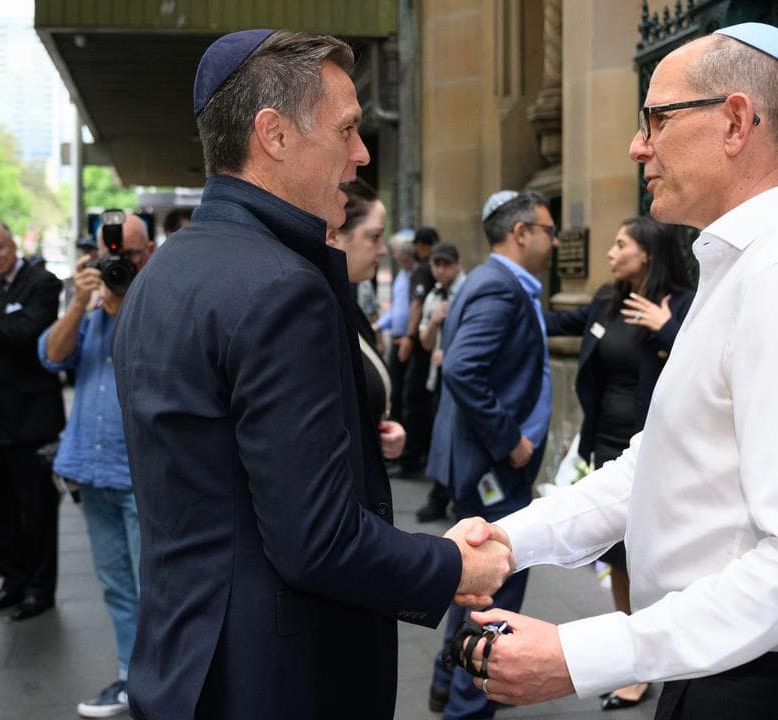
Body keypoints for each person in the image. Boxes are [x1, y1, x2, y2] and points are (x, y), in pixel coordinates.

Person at [458, 23, 778, 719]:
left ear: (735, 122)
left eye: (656, 119)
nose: (638, 145)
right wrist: (514, 538)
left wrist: (584, 656)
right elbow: (664, 460)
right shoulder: (748, 260)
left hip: (776, 686)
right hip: (728, 665)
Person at [110, 29, 510, 720]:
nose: (360, 155)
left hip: (182, 662)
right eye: (348, 129)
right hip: (274, 677)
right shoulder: (280, 287)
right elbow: (316, 541)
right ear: (274, 134)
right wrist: (452, 569)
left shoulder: (166, 269)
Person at [544, 214, 694, 711]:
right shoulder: (606, 301)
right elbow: (552, 322)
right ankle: (635, 660)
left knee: (657, 554)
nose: (610, 253)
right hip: (605, 446)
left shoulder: (683, 304)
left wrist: (665, 328)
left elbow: (706, 367)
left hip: (660, 449)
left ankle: (667, 653)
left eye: (620, 244)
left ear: (647, 254)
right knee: (619, 559)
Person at [425, 189, 557, 719]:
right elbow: (461, 369)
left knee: (477, 585)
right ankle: (465, 707)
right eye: (548, 230)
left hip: (491, 467)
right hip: (496, 469)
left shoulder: (496, 283)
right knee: (495, 592)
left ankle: (444, 681)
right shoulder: (500, 288)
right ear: (521, 232)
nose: (554, 240)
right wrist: (511, 439)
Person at [38, 213, 151, 718]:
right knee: (116, 585)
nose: (118, 262)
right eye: (112, 252)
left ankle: (162, 681)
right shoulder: (86, 303)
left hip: (141, 474)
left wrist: (121, 300)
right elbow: (51, 357)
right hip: (90, 466)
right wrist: (81, 300)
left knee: (155, 587)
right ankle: (131, 676)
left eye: (127, 253)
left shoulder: (157, 295)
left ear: (145, 253)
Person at [0, 220, 65, 622]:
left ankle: (40, 590)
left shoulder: (42, 283)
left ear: (13, 244)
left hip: (30, 419)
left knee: (36, 508)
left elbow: (28, 329)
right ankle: (12, 581)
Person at [324, 177, 407, 461]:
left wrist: (381, 429)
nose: (382, 250)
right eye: (373, 237)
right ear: (334, 236)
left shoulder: (345, 305)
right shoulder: (316, 312)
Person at [413, 242, 466, 524]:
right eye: (436, 264)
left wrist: (452, 354)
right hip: (439, 382)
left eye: (446, 264)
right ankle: (439, 497)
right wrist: (434, 322)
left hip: (464, 381)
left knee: (460, 442)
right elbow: (424, 342)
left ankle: (460, 499)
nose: (441, 270)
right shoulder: (434, 296)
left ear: (458, 264)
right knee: (440, 440)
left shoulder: (470, 292)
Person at [399, 226, 440, 474]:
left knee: (413, 398)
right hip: (435, 344)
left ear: (420, 246)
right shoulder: (433, 268)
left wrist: (409, 337)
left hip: (423, 344)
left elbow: (416, 304)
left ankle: (412, 458)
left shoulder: (423, 270)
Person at [378, 230, 416, 427]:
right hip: (396, 336)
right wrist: (380, 325)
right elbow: (397, 309)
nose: (392, 255)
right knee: (394, 386)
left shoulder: (418, 274)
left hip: (409, 340)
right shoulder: (401, 275)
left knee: (409, 391)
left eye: (396, 251)